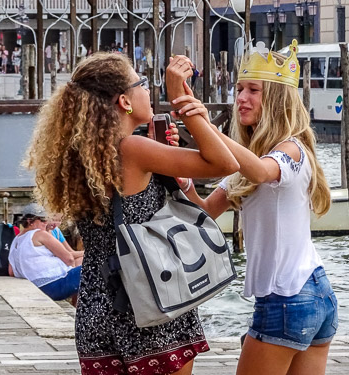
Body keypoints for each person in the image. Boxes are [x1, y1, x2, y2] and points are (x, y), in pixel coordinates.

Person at [25, 52, 239, 374]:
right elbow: (226, 164)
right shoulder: (133, 149)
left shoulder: (83, 157)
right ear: (124, 101)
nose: (148, 91)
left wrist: (161, 158)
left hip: (97, 305)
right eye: (142, 84)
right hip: (149, 296)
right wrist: (183, 102)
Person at [172, 40, 338, 375]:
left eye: (254, 90)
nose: (242, 98)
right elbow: (204, 214)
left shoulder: (291, 150)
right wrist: (184, 180)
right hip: (315, 295)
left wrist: (203, 122)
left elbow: (262, 172)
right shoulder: (246, 164)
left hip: (288, 296)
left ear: (276, 100)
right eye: (239, 89)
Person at [8, 203, 82, 302]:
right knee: (95, 267)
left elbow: (11, 271)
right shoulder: (40, 234)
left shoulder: (16, 240)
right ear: (30, 221)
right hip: (56, 285)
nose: (46, 223)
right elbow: (69, 258)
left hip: (37, 287)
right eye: (43, 220)